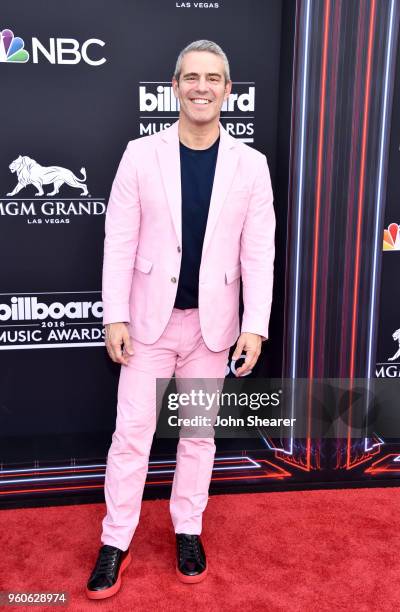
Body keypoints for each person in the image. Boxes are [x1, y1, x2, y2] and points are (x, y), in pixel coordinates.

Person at [86, 39, 276, 599]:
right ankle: (115, 539)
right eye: (190, 77)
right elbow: (117, 241)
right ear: (173, 86)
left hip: (212, 330)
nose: (201, 86)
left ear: (227, 90)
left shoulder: (252, 165)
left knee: (198, 437)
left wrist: (255, 325)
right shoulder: (139, 155)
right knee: (132, 437)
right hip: (148, 324)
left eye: (212, 78)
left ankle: (188, 529)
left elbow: (257, 253)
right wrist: (114, 315)